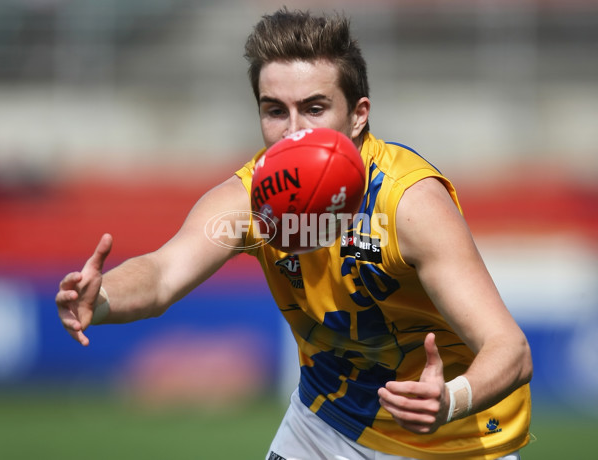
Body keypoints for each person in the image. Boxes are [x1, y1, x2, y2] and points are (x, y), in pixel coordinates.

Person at [56, 8, 533, 460]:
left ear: (359, 114)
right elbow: (162, 274)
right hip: (327, 420)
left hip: (454, 437)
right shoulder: (249, 199)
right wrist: (101, 299)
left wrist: (449, 400)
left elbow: (509, 348)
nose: (295, 132)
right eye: (275, 111)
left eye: (315, 107)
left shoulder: (409, 203)